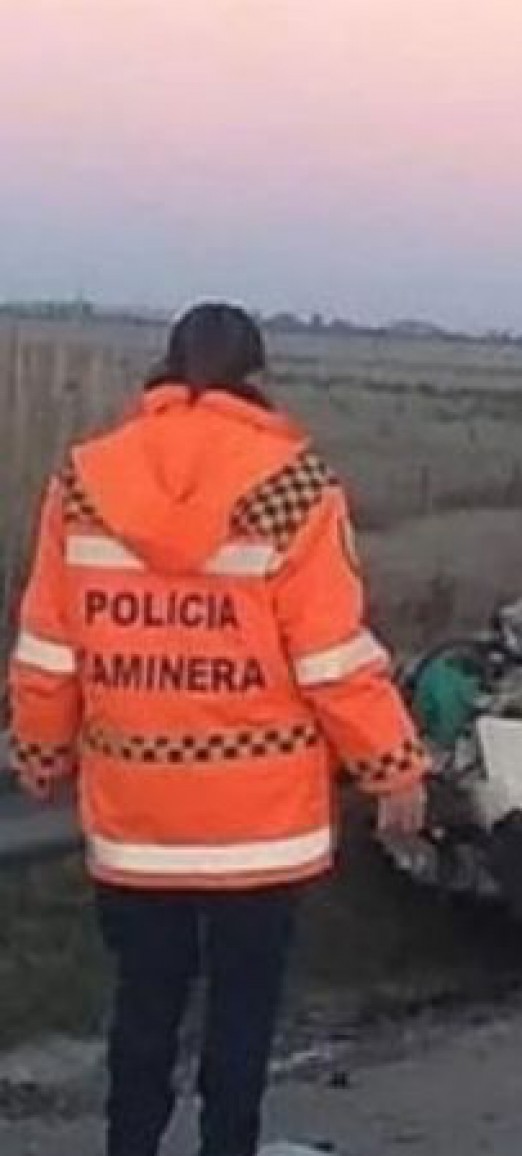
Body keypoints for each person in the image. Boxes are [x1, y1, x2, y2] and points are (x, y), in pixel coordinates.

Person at [7, 303, 430, 1156]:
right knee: (242, 1016)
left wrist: (41, 751)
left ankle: (130, 1145)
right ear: (257, 377)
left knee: (143, 1005)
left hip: (136, 815)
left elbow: (49, 646)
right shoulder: (294, 485)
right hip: (259, 826)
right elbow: (332, 657)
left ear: (165, 370)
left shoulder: (85, 480)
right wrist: (394, 766)